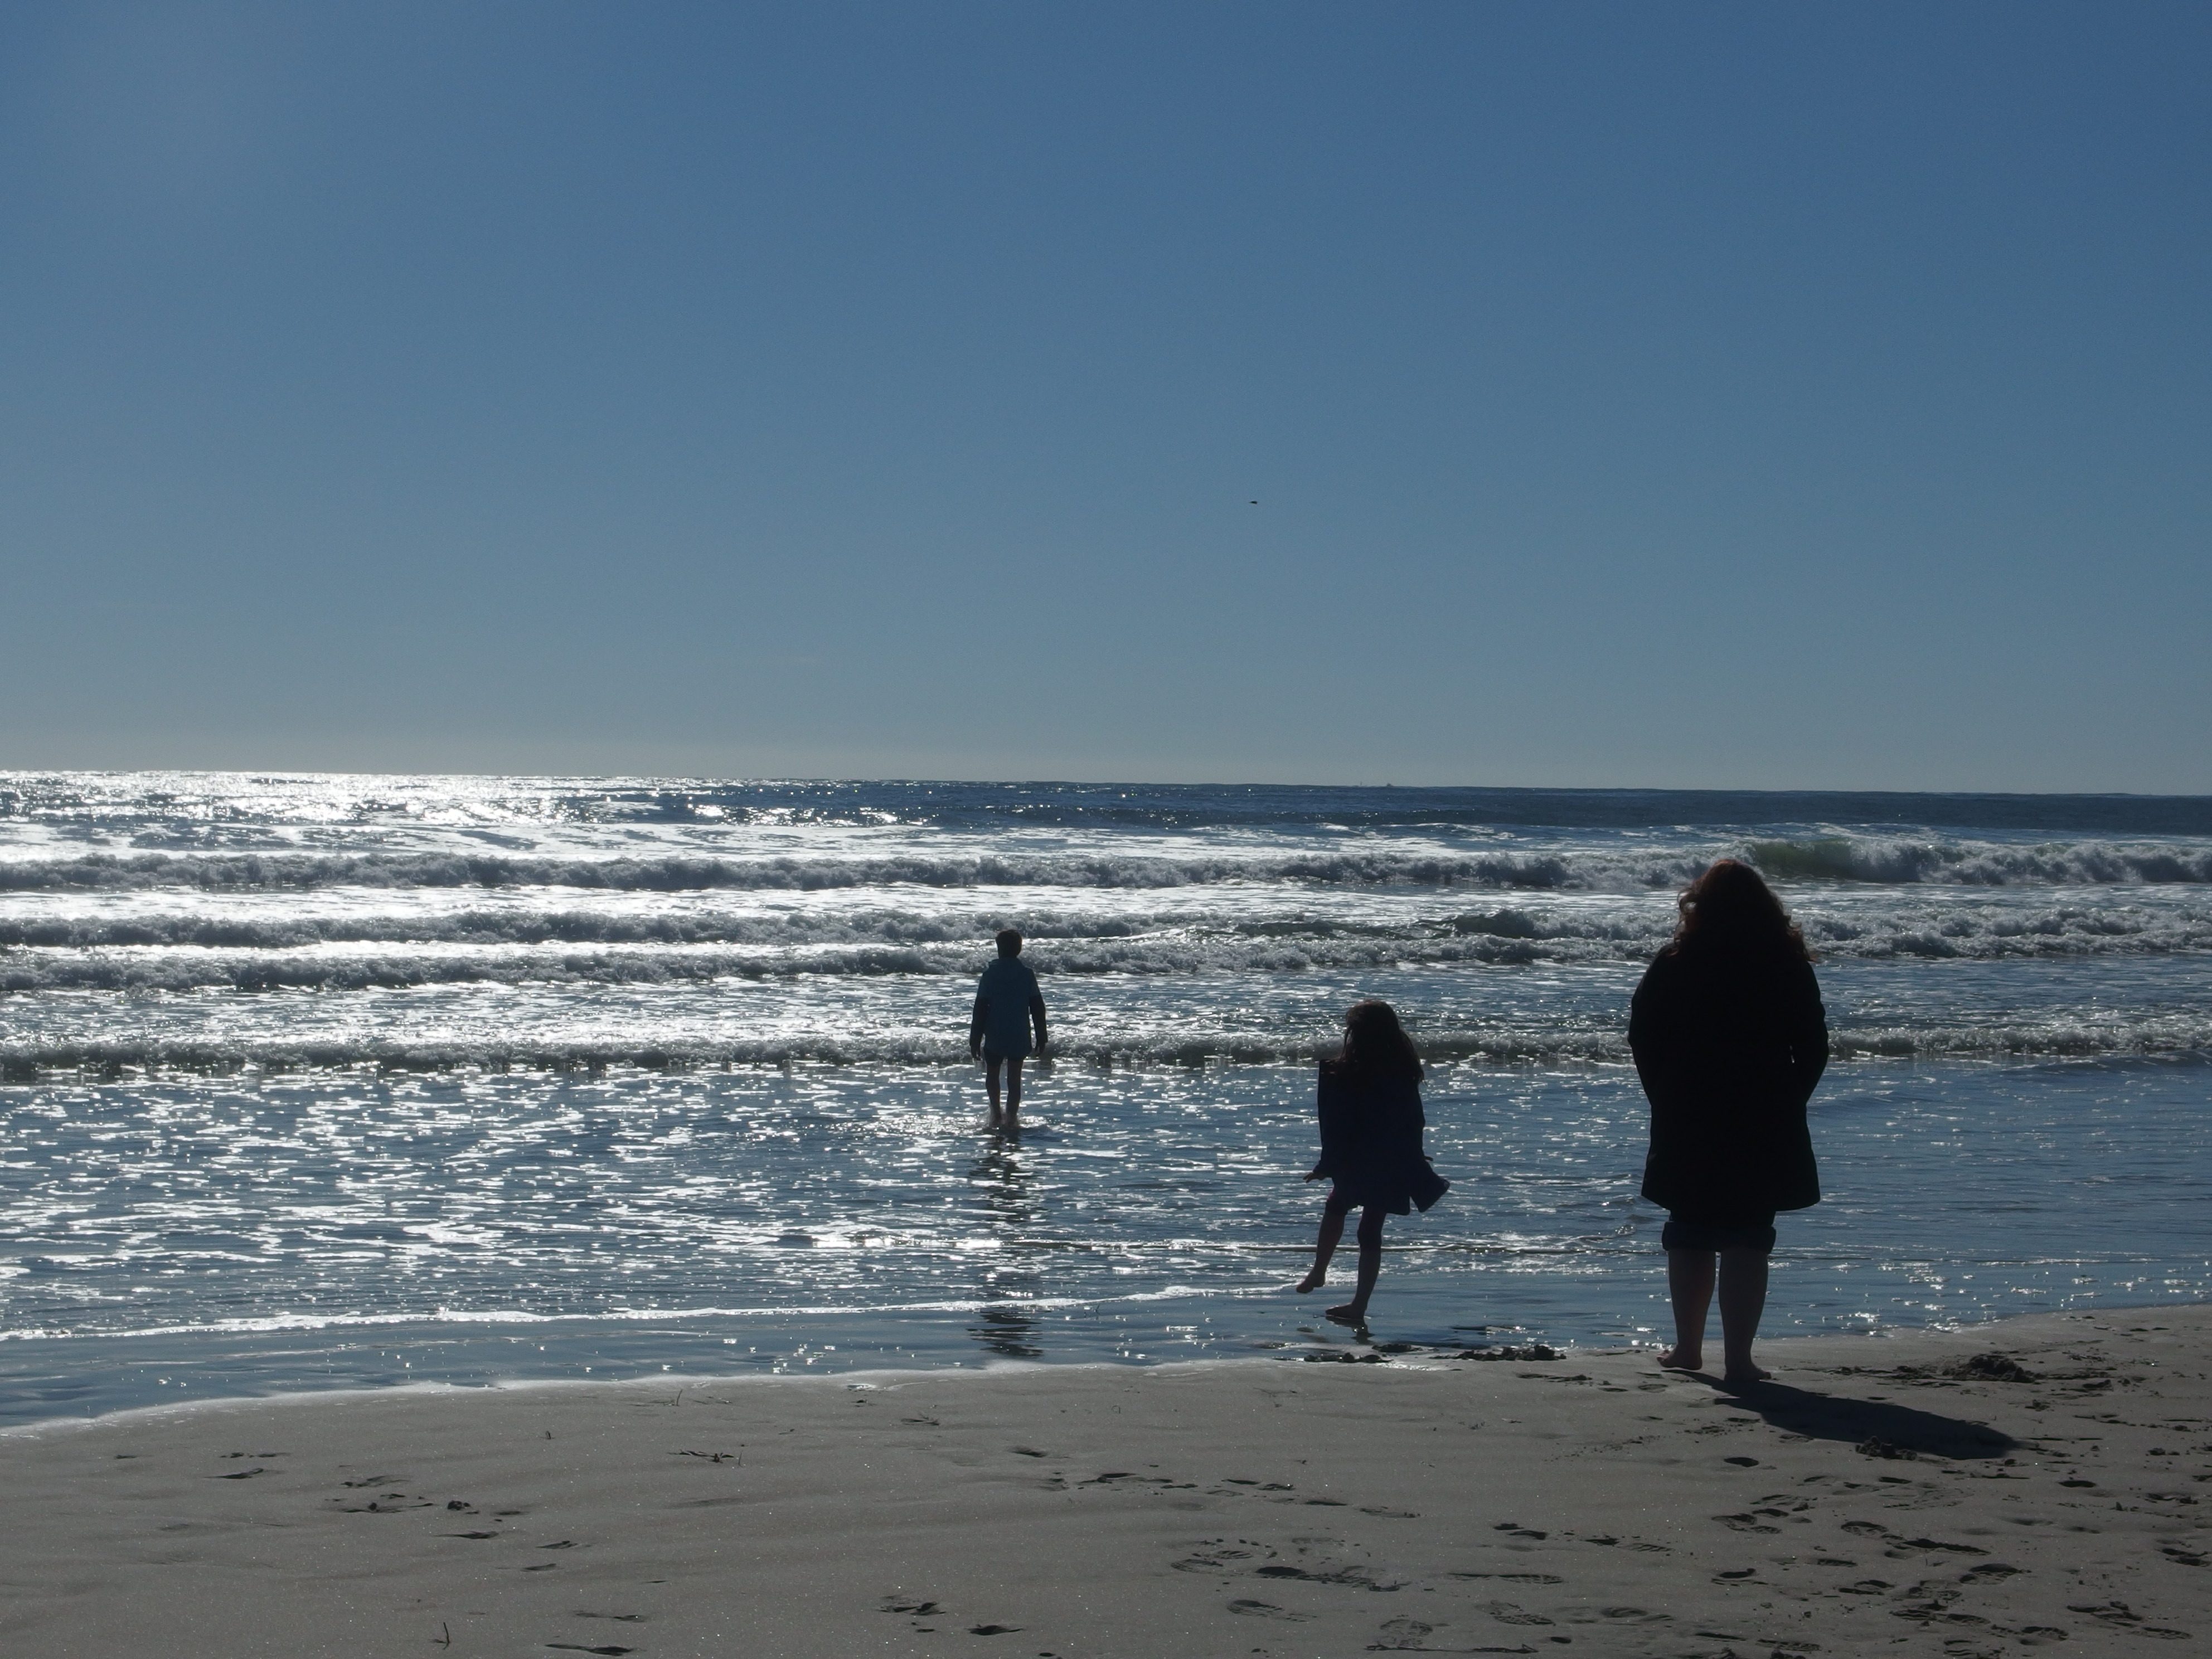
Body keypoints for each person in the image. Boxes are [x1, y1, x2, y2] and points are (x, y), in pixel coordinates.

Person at [1629, 858, 1827, 1384]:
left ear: (1699, 906)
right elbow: (1812, 1043)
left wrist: (1662, 1094)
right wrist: (1792, 1098)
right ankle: (1738, 1359)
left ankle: (1688, 1348)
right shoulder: (1785, 962)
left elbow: (1643, 1034)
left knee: (1689, 1231)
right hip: (1763, 1107)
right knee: (1748, 1234)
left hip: (1689, 1105)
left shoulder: (1677, 960)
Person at [1296, 999, 1449, 1326]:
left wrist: (1326, 1165)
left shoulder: (1351, 1072)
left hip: (1361, 1158)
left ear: (1359, 1035)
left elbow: (1337, 1124)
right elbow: (1414, 1119)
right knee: (1367, 1229)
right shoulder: (1402, 1070)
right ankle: (1355, 1301)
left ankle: (1321, 1274)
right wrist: (1414, 1152)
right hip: (1389, 1158)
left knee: (1338, 1207)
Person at [969, 928, 1048, 1128]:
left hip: (995, 1033)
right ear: (1019, 950)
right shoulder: (1027, 974)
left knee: (992, 1075)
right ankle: (1011, 1117)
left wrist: (975, 1039)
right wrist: (1042, 1035)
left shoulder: (989, 975)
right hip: (1018, 1033)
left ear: (998, 949)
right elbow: (1038, 1007)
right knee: (1015, 1078)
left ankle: (996, 1113)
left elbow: (980, 1009)